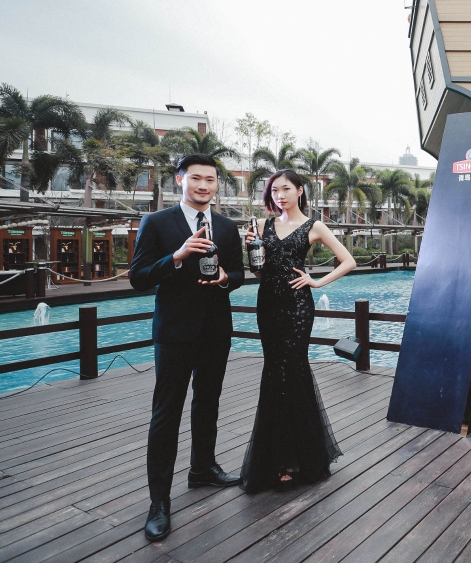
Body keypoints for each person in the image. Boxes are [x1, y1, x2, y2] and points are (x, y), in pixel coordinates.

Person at [130, 154, 245, 542]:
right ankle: (159, 502)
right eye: (196, 178)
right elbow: (138, 278)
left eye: (210, 180)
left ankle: (203, 469)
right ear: (180, 180)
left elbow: (239, 273)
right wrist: (177, 257)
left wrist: (226, 277)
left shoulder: (226, 226)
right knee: (166, 413)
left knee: (208, 402)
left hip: (216, 330)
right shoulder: (157, 222)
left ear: (217, 184)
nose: (203, 186)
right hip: (175, 332)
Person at [239, 169, 356, 492]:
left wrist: (316, 282)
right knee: (273, 373)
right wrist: (252, 251)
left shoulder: (313, 226)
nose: (280, 195)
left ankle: (297, 458)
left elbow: (348, 261)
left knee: (293, 371)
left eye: (286, 189)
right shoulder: (263, 226)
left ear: (300, 190)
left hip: (297, 306)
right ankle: (273, 458)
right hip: (268, 305)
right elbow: (260, 273)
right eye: (274, 190)